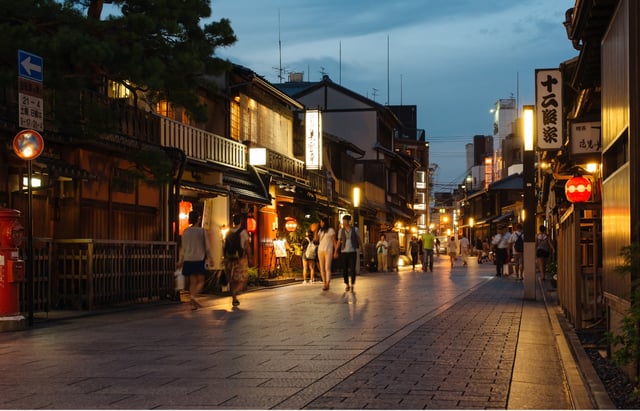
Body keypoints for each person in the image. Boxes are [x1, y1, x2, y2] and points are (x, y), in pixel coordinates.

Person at [176, 211, 212, 310]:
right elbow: (207, 247)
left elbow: (182, 248)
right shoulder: (202, 231)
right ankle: (193, 296)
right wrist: (210, 258)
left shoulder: (185, 232)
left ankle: (193, 304)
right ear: (198, 219)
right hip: (199, 259)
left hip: (188, 259)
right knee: (201, 281)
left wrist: (180, 260)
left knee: (192, 282)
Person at [225, 214, 252, 307]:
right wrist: (250, 257)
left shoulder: (228, 232)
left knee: (232, 279)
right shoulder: (243, 232)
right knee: (243, 278)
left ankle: (234, 298)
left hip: (229, 258)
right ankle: (235, 292)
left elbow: (225, 245)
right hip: (240, 258)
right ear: (240, 221)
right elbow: (247, 246)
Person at [335, 215, 361, 292]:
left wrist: (361, 247)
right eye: (343, 221)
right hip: (344, 251)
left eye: (345, 220)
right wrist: (336, 251)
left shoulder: (355, 229)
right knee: (345, 269)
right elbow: (339, 241)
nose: (343, 222)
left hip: (352, 251)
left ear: (349, 221)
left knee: (353, 268)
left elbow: (358, 239)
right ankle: (347, 284)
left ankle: (352, 284)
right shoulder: (341, 230)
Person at [316, 217, 336, 291]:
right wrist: (315, 230)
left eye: (321, 222)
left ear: (324, 222)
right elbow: (316, 240)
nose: (320, 224)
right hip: (320, 250)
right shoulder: (320, 231)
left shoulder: (331, 230)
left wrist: (335, 251)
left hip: (328, 250)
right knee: (322, 268)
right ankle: (324, 282)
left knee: (327, 267)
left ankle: (328, 282)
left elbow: (334, 241)